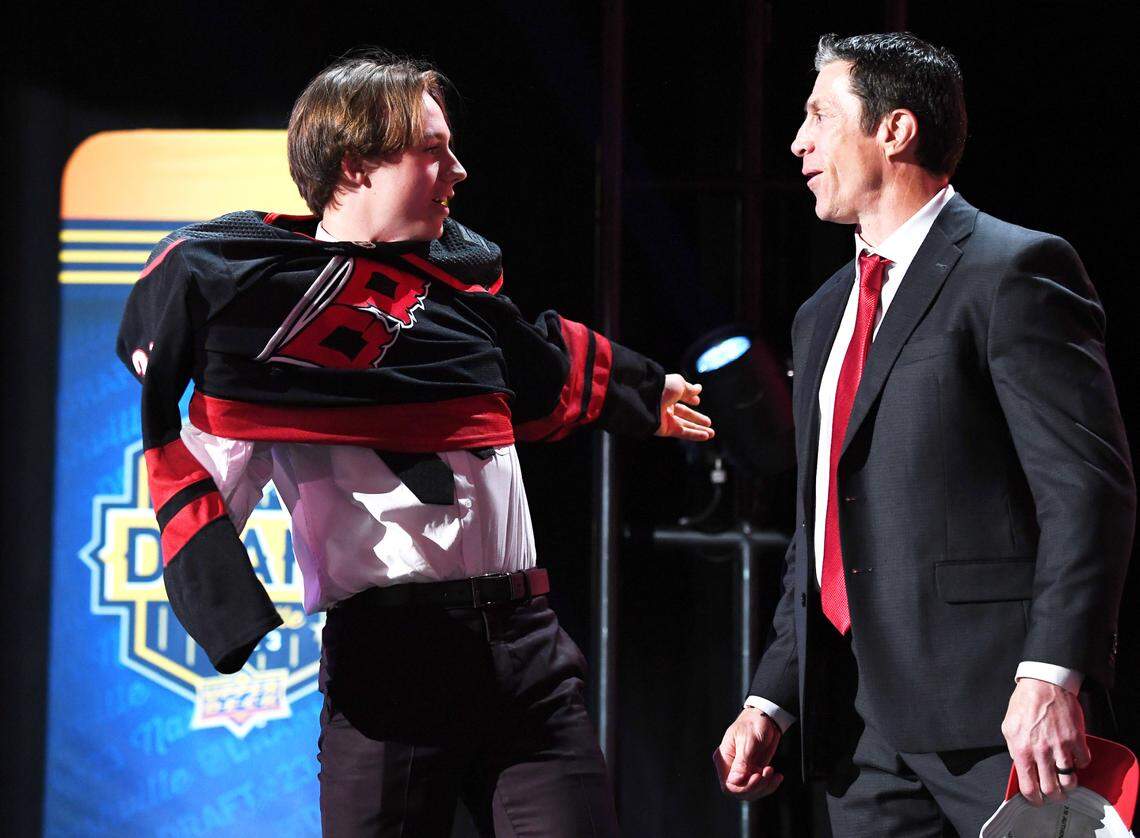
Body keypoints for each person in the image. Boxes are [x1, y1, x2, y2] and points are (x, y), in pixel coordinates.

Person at [117, 50, 713, 837]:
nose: (459, 171)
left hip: (528, 653)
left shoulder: (461, 291)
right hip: (390, 669)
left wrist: (641, 393)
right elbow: (206, 474)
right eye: (433, 151)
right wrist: (219, 594)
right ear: (356, 165)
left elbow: (542, 361)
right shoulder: (258, 328)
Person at [713, 32, 1133, 836]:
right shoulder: (820, 314)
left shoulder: (1015, 270)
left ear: (895, 130)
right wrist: (774, 694)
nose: (798, 142)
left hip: (1001, 720)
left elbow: (1087, 490)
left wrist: (1052, 675)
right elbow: (822, 530)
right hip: (860, 734)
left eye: (819, 116)